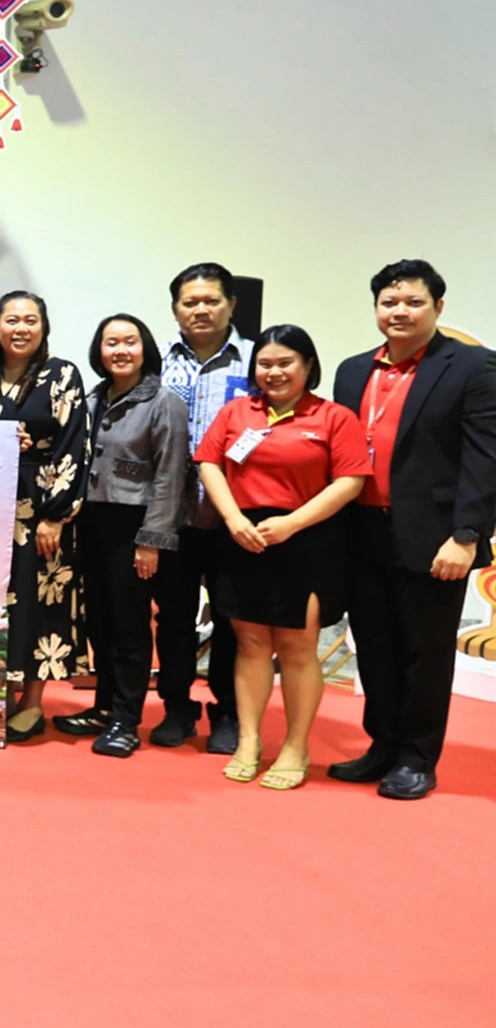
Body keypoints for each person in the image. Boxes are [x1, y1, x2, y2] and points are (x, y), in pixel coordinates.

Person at [329, 261, 496, 800]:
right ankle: (382, 746)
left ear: (438, 307)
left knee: (425, 653)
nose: (399, 311)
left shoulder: (472, 366)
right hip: (362, 531)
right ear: (376, 307)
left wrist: (467, 535)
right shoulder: (353, 371)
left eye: (413, 302)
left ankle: (417, 758)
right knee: (374, 646)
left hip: (436, 536)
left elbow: (486, 458)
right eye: (389, 302)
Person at [196, 325, 368, 790]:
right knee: (250, 644)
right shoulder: (237, 411)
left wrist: (292, 523)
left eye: (285, 362)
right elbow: (209, 463)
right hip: (244, 537)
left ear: (308, 365)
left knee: (297, 647)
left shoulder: (333, 417)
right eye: (265, 363)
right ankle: (249, 741)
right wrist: (233, 519)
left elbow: (350, 482)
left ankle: (295, 746)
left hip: (307, 540)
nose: (274, 372)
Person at [0, 291, 89, 743]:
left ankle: (32, 703)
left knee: (39, 602)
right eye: (11, 320)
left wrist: (56, 515)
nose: (21, 328)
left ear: (43, 327)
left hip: (41, 505)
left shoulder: (62, 374)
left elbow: (75, 444)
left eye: (30, 320)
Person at [70, 314, 192, 757]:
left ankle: (126, 719)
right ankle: (103, 706)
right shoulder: (92, 398)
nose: (120, 350)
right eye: (111, 342)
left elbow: (170, 476)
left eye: (130, 342)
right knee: (98, 620)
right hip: (92, 522)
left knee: (129, 625)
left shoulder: (163, 402)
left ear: (146, 349)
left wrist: (151, 540)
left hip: (134, 526)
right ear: (98, 350)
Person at [155, 262, 254, 753]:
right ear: (176, 308)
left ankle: (228, 711)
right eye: (189, 302)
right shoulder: (156, 362)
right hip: (171, 516)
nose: (200, 310)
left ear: (231, 305)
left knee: (233, 618)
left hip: (237, 517)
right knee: (173, 618)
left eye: (211, 301)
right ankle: (177, 707)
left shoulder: (256, 361)